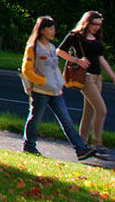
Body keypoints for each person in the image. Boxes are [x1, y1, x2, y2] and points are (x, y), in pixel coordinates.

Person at [20, 16, 99, 160]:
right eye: (50, 29)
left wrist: (61, 81)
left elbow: (55, 68)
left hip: (56, 92)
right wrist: (41, 81)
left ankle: (80, 149)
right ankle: (29, 145)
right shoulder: (33, 48)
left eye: (54, 29)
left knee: (66, 120)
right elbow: (27, 70)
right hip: (41, 91)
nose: (53, 32)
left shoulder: (51, 48)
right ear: (42, 30)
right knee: (35, 119)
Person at [60, 11, 115, 155]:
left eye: (99, 25)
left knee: (89, 111)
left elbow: (101, 59)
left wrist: (114, 77)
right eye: (94, 24)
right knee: (101, 110)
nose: (97, 27)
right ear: (87, 22)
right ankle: (97, 144)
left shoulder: (96, 37)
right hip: (86, 77)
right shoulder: (75, 36)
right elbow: (59, 51)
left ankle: (82, 143)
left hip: (97, 77)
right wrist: (77, 61)